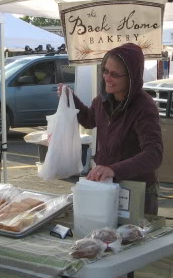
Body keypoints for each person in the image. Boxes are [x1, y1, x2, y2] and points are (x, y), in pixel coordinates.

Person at [61, 42, 163, 213]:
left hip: (137, 191)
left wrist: (113, 169)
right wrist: (71, 100)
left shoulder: (144, 107)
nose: (107, 78)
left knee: (133, 231)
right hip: (106, 187)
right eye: (105, 71)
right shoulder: (102, 100)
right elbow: (89, 120)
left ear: (131, 77)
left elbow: (154, 155)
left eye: (115, 74)